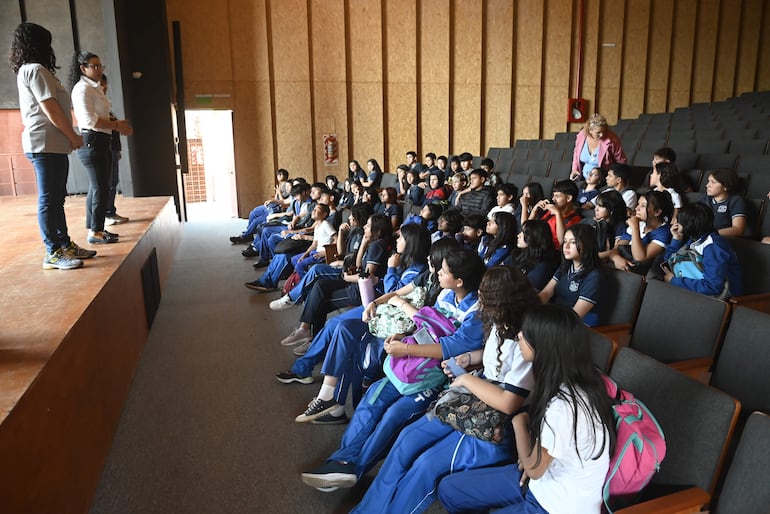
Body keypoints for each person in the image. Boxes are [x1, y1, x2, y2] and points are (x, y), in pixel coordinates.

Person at [299, 248, 491, 497]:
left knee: (393, 415)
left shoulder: (475, 312)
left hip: (438, 377)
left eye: (443, 271)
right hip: (410, 364)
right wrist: (404, 338)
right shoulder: (445, 294)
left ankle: (355, 469)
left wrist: (407, 350)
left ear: (460, 280)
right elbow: (427, 325)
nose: (438, 274)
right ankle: (343, 460)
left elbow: (449, 348)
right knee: (371, 401)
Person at [347, 266, 539, 513]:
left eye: (485, 296)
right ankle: (369, 509)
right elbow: (496, 358)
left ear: (503, 301)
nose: (479, 300)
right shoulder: (500, 322)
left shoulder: (527, 338)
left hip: (494, 423)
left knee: (426, 466)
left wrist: (466, 381)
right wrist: (469, 358)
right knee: (407, 440)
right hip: (471, 401)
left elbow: (509, 402)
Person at [437, 304, 615, 514]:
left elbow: (533, 468)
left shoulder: (565, 406)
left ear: (543, 346)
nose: (519, 334)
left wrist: (519, 423)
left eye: (526, 333)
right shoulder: (567, 379)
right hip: (541, 478)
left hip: (555, 504)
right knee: (450, 490)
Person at [290, 224, 433, 421]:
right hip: (378, 305)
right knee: (336, 327)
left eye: (401, 238)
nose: (397, 241)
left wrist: (390, 270)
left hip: (388, 315)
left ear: (411, 243)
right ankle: (324, 392)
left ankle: (323, 390)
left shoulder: (416, 270)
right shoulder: (406, 263)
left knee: (340, 328)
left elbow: (395, 292)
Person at [10, 22, 92, 269]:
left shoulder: (37, 70)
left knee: (57, 198)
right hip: (43, 143)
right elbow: (51, 109)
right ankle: (53, 252)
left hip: (52, 144)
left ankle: (65, 244)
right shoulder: (35, 70)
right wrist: (74, 136)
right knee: (49, 199)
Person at [278, 214, 392, 346]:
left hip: (360, 292)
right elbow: (359, 266)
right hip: (356, 284)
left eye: (368, 225)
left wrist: (347, 277)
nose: (365, 227)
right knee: (320, 285)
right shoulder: (373, 243)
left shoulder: (377, 246)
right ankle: (309, 335)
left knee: (320, 301)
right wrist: (364, 243)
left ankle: (313, 338)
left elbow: (366, 278)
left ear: (377, 231)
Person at [68, 50, 133, 244]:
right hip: (92, 140)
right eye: (94, 66)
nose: (98, 69)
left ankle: (96, 229)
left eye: (100, 66)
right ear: (83, 68)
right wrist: (115, 125)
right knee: (100, 188)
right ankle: (95, 232)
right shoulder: (83, 89)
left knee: (98, 187)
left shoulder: (94, 88)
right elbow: (89, 120)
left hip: (101, 140)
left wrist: (117, 124)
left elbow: (101, 117)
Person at [270, 203, 373, 311]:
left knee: (315, 270)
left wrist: (340, 263)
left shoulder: (365, 237)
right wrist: (341, 233)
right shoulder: (353, 231)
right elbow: (341, 252)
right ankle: (295, 298)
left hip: (348, 271)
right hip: (343, 265)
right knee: (303, 265)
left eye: (352, 215)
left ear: (359, 217)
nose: (349, 218)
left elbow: (359, 265)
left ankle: (291, 298)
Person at [662, 202, 743, 298]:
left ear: (689, 224)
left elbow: (712, 287)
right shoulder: (693, 239)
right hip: (692, 291)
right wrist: (676, 239)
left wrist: (675, 281)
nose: (675, 222)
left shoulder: (714, 247)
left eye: (679, 220)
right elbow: (669, 263)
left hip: (720, 299)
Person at [538, 223, 602, 327]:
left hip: (577, 326)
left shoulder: (594, 276)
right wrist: (530, 305)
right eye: (565, 241)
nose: (566, 246)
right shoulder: (565, 267)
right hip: (558, 318)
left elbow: (575, 316)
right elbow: (546, 292)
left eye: (573, 242)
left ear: (587, 244)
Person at [609, 190, 673, 276]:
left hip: (639, 274)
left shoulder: (664, 232)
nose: (636, 208)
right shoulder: (640, 223)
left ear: (657, 212)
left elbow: (640, 257)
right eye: (638, 204)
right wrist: (617, 259)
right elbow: (615, 250)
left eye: (643, 206)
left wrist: (635, 228)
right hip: (621, 266)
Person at [230, 169, 292, 243]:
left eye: (281, 175)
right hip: (272, 206)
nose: (279, 176)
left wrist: (279, 193)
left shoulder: (288, 187)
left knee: (256, 221)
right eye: (278, 175)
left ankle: (246, 236)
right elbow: (276, 199)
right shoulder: (280, 185)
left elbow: (283, 203)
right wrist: (273, 198)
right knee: (253, 212)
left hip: (276, 209)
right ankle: (249, 232)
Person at [98, 73, 129, 226]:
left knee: (113, 182)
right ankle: (105, 215)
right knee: (106, 183)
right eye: (100, 84)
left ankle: (110, 211)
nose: (103, 87)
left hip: (113, 149)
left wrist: (118, 150)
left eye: (104, 84)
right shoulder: (96, 106)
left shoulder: (106, 106)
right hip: (104, 149)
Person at [570, 113, 626, 182]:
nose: (602, 135)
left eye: (603, 131)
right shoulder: (582, 135)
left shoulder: (612, 139)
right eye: (598, 132)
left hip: (603, 179)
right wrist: (575, 169)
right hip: (583, 178)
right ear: (590, 130)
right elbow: (576, 153)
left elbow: (621, 161)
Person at [529, 179, 582, 249]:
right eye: (553, 195)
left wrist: (558, 214)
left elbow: (562, 242)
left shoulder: (576, 219)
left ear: (568, 198)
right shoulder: (550, 213)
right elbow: (527, 231)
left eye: (557, 196)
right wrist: (534, 211)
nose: (553, 199)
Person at [510, 219, 561, 291]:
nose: (518, 235)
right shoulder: (521, 253)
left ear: (534, 237)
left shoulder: (543, 266)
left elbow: (527, 292)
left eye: (524, 233)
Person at [699, 168, 747, 237]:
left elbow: (738, 229)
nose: (707, 185)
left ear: (725, 186)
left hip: (721, 239)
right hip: (702, 237)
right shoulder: (705, 198)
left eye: (713, 182)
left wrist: (710, 234)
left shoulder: (736, 200)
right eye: (708, 181)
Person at [588, 189, 628, 261]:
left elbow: (616, 250)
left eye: (600, 206)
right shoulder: (595, 222)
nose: (596, 209)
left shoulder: (620, 225)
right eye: (596, 205)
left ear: (611, 210)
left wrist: (593, 256)